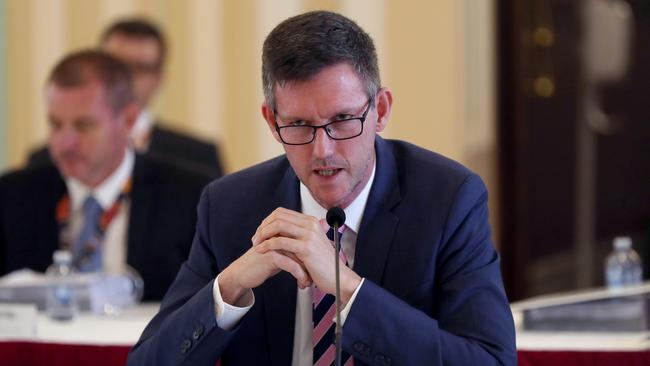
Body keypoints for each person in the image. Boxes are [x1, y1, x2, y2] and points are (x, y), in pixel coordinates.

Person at [128, 10, 516, 365]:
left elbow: (490, 361)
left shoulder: (448, 200)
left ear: (380, 110)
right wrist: (230, 286)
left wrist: (348, 289)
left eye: (344, 119)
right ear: (271, 120)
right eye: (298, 125)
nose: (322, 150)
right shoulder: (229, 206)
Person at [0, 50, 214, 301]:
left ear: (128, 120)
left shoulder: (190, 196)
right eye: (55, 124)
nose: (65, 143)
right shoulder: (12, 196)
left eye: (84, 126)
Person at [28, 17, 224, 176]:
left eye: (141, 68)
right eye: (115, 65)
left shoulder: (198, 159)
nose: (127, 77)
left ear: (159, 79)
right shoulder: (45, 161)